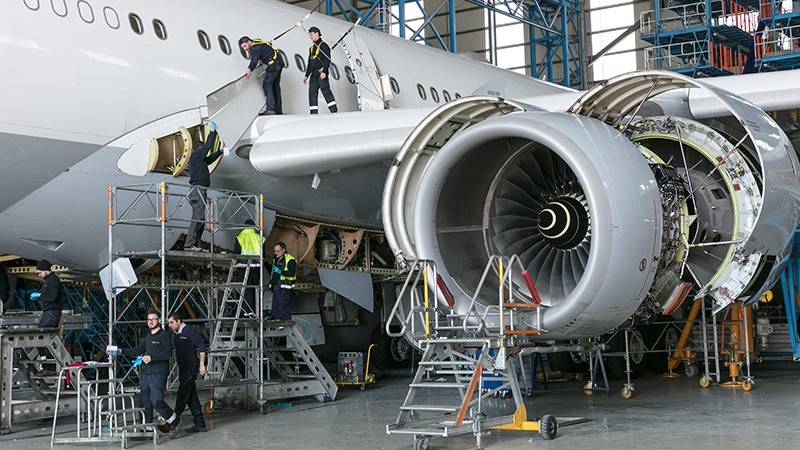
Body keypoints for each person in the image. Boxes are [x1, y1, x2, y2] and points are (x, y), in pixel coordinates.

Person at [124, 310, 178, 433]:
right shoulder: (147, 338)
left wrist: (152, 358)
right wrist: (120, 351)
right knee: (144, 401)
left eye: (153, 319)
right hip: (146, 374)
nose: (151, 321)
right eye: (149, 319)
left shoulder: (164, 335)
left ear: (159, 320)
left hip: (158, 373)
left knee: (156, 400)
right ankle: (146, 426)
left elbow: (168, 353)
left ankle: (174, 420)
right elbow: (137, 350)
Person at [185, 123, 227, 252]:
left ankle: (196, 244)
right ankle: (189, 244)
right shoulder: (197, 156)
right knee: (198, 216)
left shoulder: (199, 160)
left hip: (199, 190)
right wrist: (212, 132)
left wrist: (220, 151)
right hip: (198, 190)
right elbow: (208, 147)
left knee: (201, 218)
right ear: (199, 149)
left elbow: (209, 158)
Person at [167, 313, 207, 433]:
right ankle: (200, 423)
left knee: (183, 393)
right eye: (168, 323)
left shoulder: (188, 331)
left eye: (171, 323)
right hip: (183, 368)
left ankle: (174, 420)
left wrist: (201, 365)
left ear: (178, 321)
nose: (169, 325)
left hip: (191, 367)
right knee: (191, 395)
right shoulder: (176, 334)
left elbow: (201, 347)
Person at [239, 36, 284, 115]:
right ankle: (278, 110)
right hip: (278, 62)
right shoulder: (258, 43)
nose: (245, 49)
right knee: (275, 86)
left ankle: (270, 109)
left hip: (273, 65)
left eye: (245, 46)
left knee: (267, 84)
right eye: (243, 48)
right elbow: (264, 53)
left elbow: (254, 60)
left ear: (249, 42)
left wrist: (249, 69)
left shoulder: (254, 48)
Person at [233, 219, 265, 315]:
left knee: (246, 289)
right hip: (256, 266)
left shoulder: (240, 237)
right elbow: (264, 254)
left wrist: (235, 264)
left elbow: (236, 253)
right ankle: (257, 311)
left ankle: (247, 311)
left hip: (244, 266)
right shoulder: (260, 237)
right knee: (256, 288)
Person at [303, 27, 338, 115]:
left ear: (317, 33)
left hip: (321, 73)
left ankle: (334, 112)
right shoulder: (311, 48)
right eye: (309, 35)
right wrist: (307, 75)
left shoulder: (324, 46)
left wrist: (324, 72)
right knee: (312, 94)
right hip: (313, 75)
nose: (310, 37)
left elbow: (327, 60)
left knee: (326, 92)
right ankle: (313, 114)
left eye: (311, 34)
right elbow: (310, 63)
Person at [270, 242, 297, 320]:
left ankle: (284, 322)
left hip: (285, 286)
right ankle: (276, 319)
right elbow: (274, 273)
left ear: (283, 250)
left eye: (277, 251)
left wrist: (281, 271)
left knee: (283, 305)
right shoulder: (276, 258)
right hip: (277, 285)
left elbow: (291, 274)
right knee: (276, 305)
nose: (275, 253)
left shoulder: (290, 260)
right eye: (275, 251)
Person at [35, 260, 63, 328]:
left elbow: (52, 297)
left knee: (44, 332)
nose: (39, 275)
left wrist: (40, 295)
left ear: (45, 270)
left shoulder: (53, 280)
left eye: (40, 273)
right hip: (48, 312)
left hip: (51, 312)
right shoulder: (48, 280)